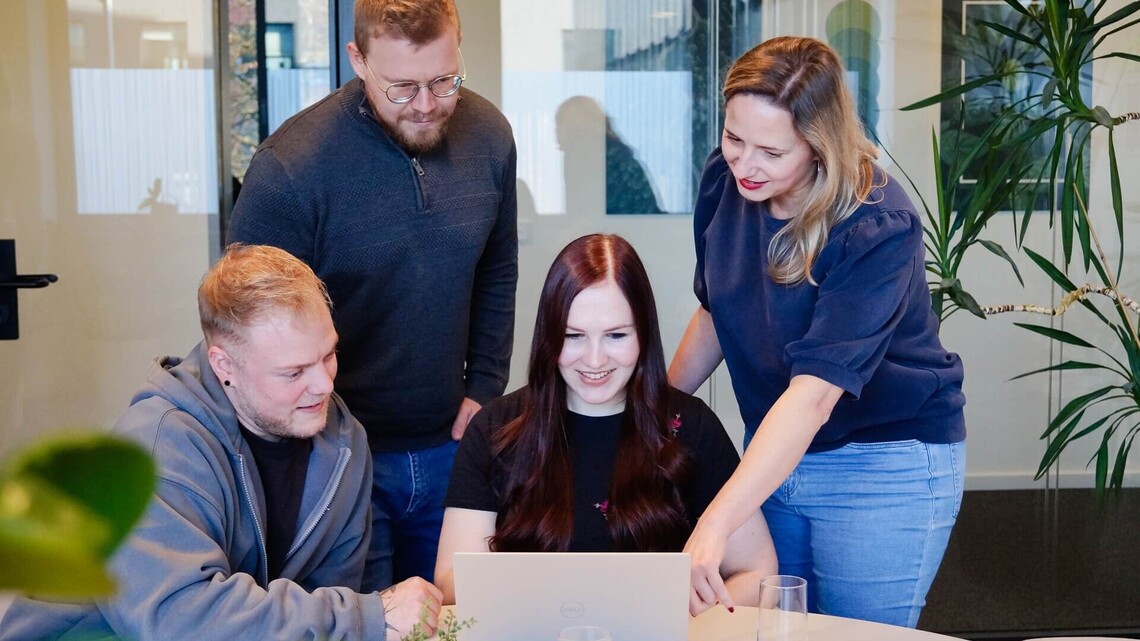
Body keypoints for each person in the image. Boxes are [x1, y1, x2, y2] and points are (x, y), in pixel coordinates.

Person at [668, 36, 967, 627]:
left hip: (881, 463)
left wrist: (715, 521)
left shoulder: (876, 223)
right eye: (734, 138)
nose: (744, 165)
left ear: (818, 144)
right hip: (775, 453)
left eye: (771, 153)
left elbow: (813, 395)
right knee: (772, 629)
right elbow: (715, 310)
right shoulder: (725, 180)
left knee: (855, 636)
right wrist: (653, 410)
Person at [0, 244, 441, 641]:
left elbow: (332, 599)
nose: (323, 384)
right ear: (224, 363)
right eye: (293, 372)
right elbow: (180, 619)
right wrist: (364, 616)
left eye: (328, 354)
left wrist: (361, 619)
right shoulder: (156, 445)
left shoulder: (344, 443)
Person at [227, 0, 518, 592]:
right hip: (335, 454)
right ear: (357, 60)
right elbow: (246, 328)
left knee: (457, 619)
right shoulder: (291, 168)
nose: (427, 105)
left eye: (444, 80)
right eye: (402, 88)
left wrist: (485, 387)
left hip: (453, 445)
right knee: (363, 624)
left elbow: (497, 269)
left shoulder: (489, 135)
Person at [434, 234, 777, 616]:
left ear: (643, 335)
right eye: (573, 336)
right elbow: (449, 581)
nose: (594, 360)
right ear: (548, 337)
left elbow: (758, 573)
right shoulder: (495, 429)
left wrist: (691, 614)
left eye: (616, 335)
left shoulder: (691, 427)